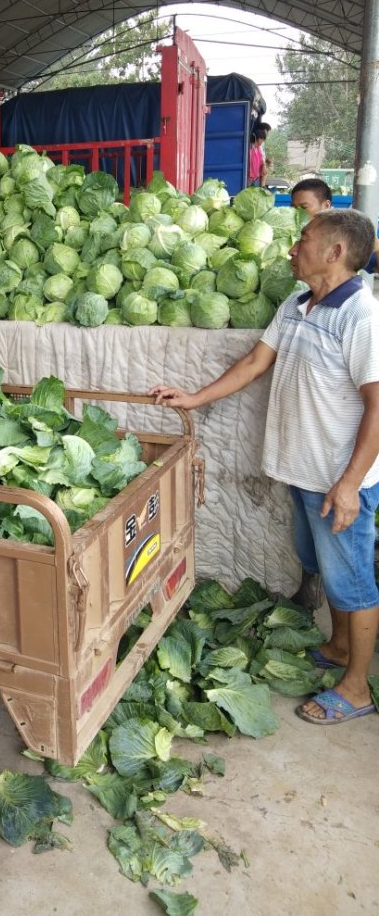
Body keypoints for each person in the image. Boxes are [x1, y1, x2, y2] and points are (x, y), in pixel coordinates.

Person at [150, 209, 379, 726]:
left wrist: (347, 485)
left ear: (335, 252)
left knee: (353, 581)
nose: (293, 248)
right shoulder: (297, 304)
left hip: (338, 480)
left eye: (304, 240)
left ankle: (357, 687)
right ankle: (340, 648)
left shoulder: (361, 316)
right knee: (326, 566)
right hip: (302, 473)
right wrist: (195, 398)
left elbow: (378, 405)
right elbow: (256, 362)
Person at [248, 121, 272, 187]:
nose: (262, 141)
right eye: (262, 139)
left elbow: (261, 160)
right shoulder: (251, 150)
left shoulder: (257, 149)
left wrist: (264, 164)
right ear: (259, 139)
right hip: (251, 178)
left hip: (255, 177)